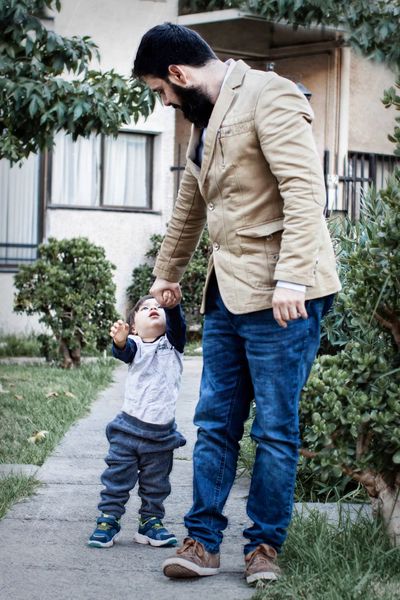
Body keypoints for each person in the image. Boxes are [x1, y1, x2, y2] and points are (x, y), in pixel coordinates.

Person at [133, 23, 341, 584]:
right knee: (215, 421)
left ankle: (263, 548)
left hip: (284, 296)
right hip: (226, 294)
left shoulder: (270, 96)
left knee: (274, 428)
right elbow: (189, 206)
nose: (166, 101)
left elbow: (303, 190)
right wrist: (166, 276)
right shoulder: (202, 121)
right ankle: (201, 541)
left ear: (178, 73)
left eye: (161, 90)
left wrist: (293, 278)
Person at [88, 295, 186, 549]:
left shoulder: (173, 343)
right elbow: (124, 351)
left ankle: (150, 523)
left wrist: (171, 303)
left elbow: (177, 323)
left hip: (161, 435)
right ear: (133, 327)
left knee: (156, 484)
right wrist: (119, 340)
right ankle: (108, 520)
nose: (154, 309)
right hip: (128, 431)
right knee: (117, 479)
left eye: (158, 308)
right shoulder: (134, 344)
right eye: (145, 308)